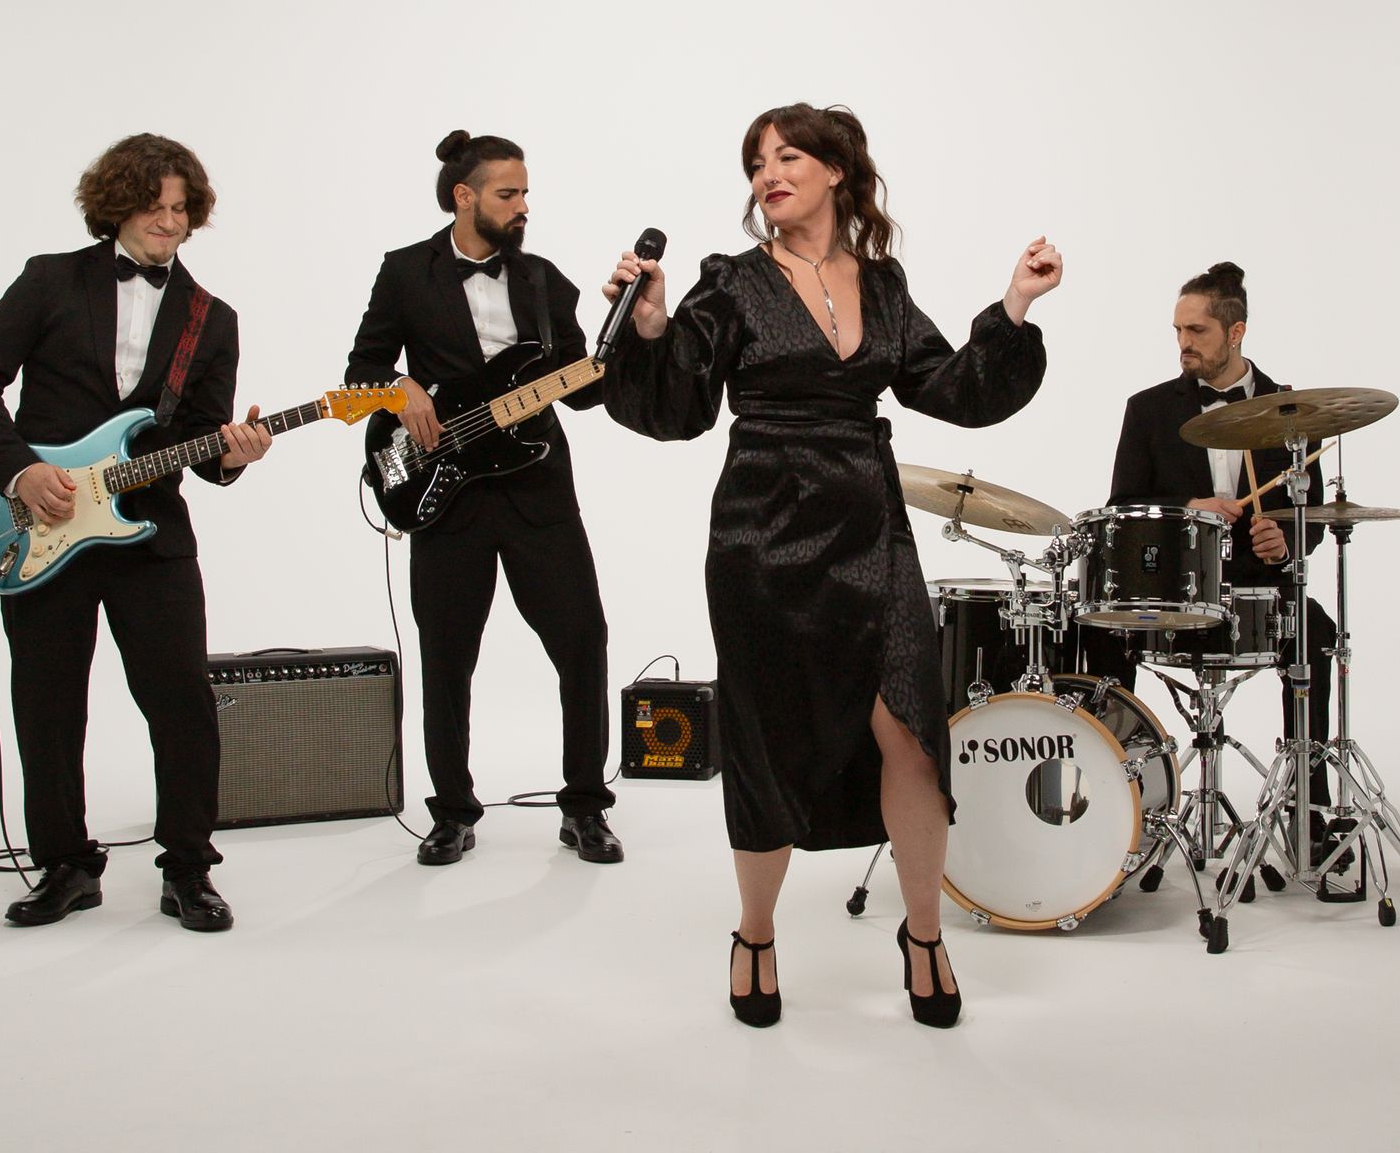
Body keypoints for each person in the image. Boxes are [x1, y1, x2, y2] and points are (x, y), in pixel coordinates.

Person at [600, 103, 1059, 1027]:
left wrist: (1013, 306)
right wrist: (650, 329)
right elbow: (680, 408)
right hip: (763, 539)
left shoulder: (882, 285)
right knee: (767, 739)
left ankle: (923, 935)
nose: (769, 174)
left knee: (913, 734)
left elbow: (951, 387)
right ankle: (756, 933)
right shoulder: (731, 281)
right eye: (757, 163)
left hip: (871, 529)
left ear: (837, 171)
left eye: (788, 156)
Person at [0, 133, 273, 931]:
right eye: (154, 207)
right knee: (48, 706)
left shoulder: (212, 319)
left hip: (149, 536)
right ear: (116, 205)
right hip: (42, 525)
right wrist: (21, 471)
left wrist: (233, 455)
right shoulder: (49, 280)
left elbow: (201, 444)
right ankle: (65, 866)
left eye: (182, 210)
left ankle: (189, 869)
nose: (170, 223)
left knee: (183, 703)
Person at [344, 130, 620, 867]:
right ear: (464, 196)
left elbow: (583, 390)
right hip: (446, 493)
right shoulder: (406, 272)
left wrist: (629, 350)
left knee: (582, 641)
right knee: (446, 657)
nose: (523, 205)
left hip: (538, 490)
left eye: (526, 192)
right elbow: (361, 368)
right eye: (508, 193)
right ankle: (452, 813)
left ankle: (585, 806)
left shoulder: (545, 281)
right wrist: (397, 388)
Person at [1086, 261, 1333, 855]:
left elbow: (1316, 520)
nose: (1183, 343)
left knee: (1318, 635)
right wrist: (1187, 507)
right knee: (1097, 631)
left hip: (1255, 592)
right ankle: (1117, 809)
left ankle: (1308, 812)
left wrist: (1287, 542)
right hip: (1173, 595)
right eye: (1178, 330)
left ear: (1235, 332)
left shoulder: (1292, 411)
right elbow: (1121, 506)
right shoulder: (1148, 409)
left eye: (1196, 331)